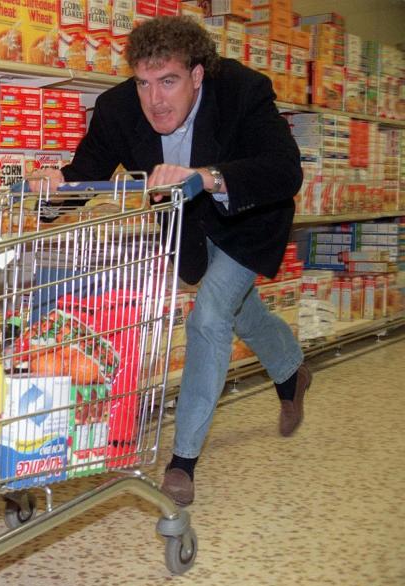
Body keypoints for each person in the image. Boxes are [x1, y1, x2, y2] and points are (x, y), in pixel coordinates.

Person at [36, 16, 311, 506]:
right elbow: (82, 177)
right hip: (187, 230)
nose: (154, 99)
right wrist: (50, 191)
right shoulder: (118, 109)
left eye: (168, 81)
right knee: (238, 310)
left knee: (208, 315)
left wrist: (207, 176)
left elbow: (284, 170)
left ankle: (182, 462)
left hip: (248, 219)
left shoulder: (244, 92)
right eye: (143, 83)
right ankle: (291, 371)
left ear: (198, 75)